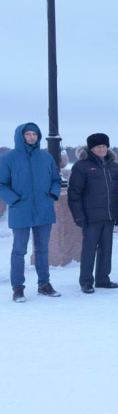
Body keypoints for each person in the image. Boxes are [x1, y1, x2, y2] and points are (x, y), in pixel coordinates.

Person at [0, 123, 62, 302]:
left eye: (34, 134)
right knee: (19, 250)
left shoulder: (45, 157)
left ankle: (44, 284)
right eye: (28, 134)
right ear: (21, 136)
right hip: (21, 210)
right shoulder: (8, 158)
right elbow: (2, 184)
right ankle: (18, 288)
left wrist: (51, 195)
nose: (31, 137)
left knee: (42, 249)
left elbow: (55, 180)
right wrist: (15, 200)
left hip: (43, 209)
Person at [68, 133, 118, 293]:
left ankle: (103, 278)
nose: (102, 149)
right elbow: (74, 194)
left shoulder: (113, 166)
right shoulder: (82, 166)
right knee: (89, 249)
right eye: (98, 146)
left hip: (109, 215)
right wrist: (78, 215)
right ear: (91, 148)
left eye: (104, 146)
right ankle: (86, 281)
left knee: (106, 249)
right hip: (90, 217)